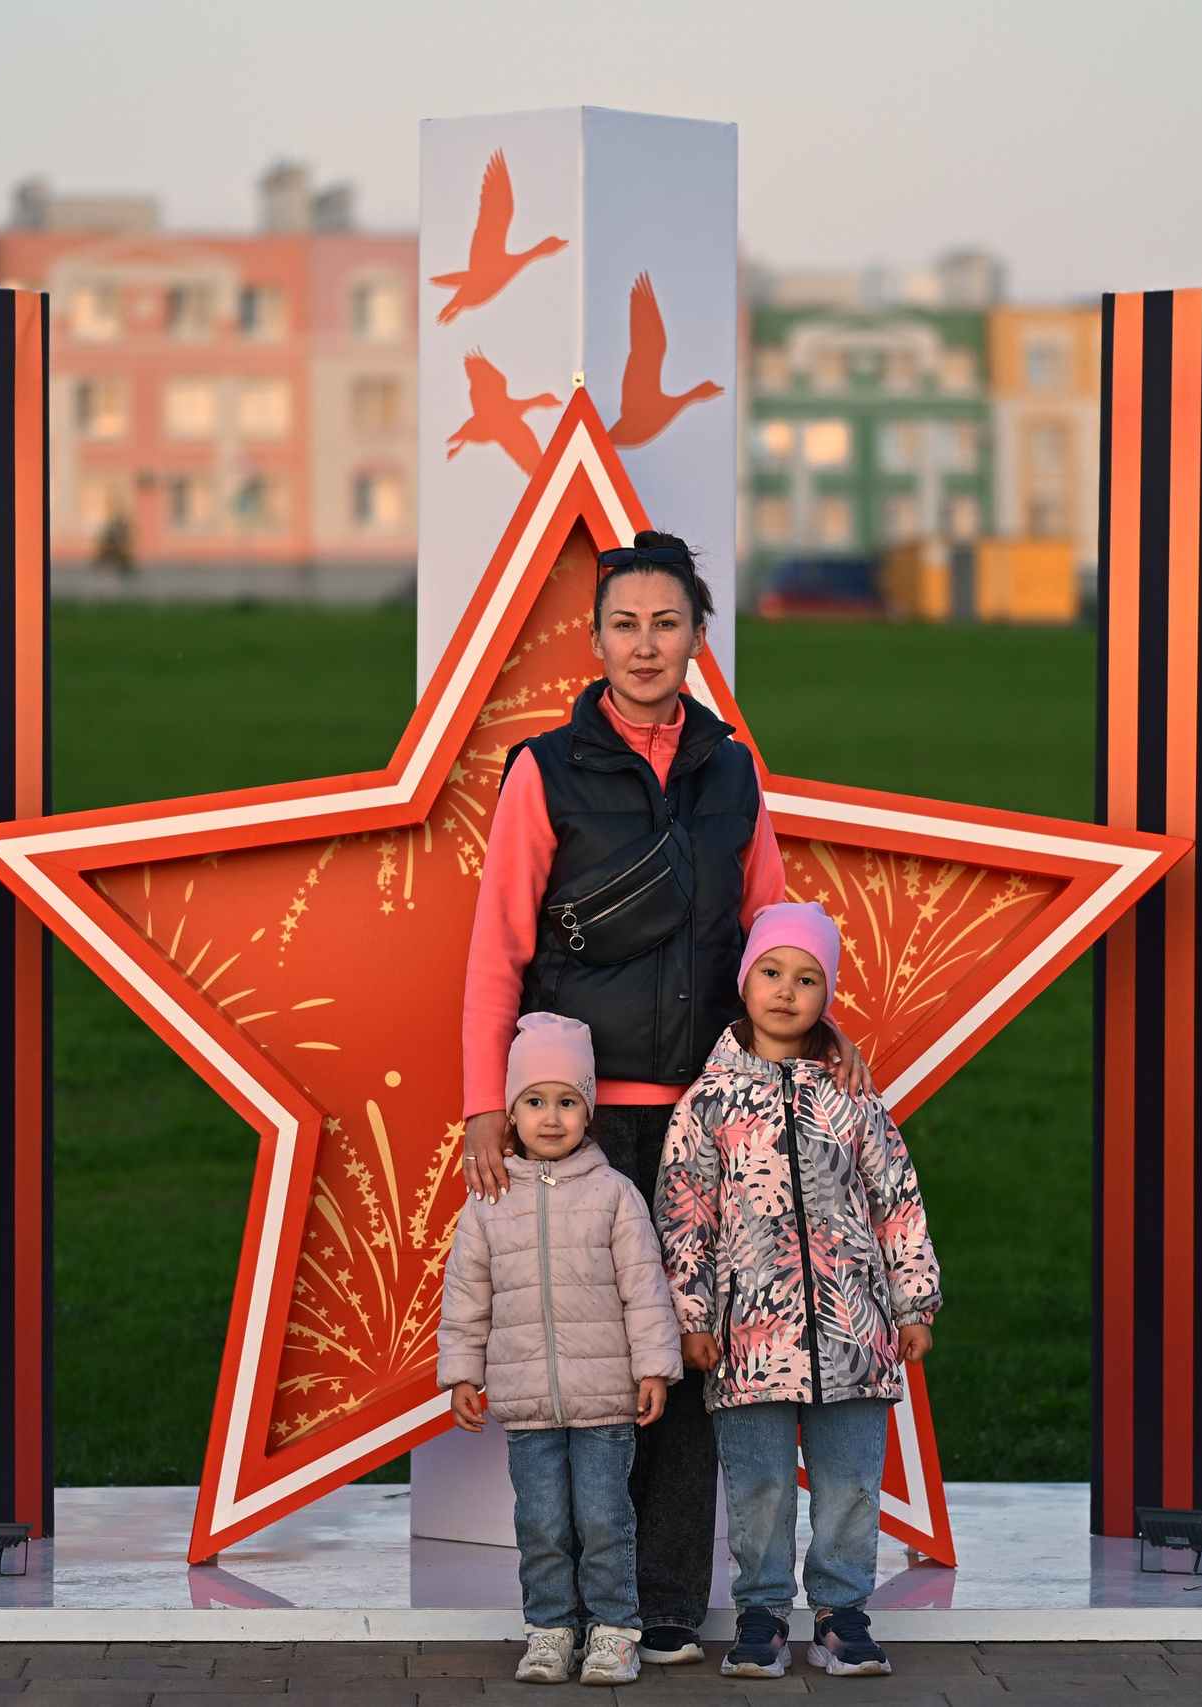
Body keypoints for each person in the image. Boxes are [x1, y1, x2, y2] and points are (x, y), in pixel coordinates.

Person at [459, 530, 870, 1662]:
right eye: (624, 624)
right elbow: (498, 948)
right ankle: (576, 1606)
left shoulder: (732, 770)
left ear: (697, 637)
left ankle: (668, 1604)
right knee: (595, 1357)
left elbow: (772, 935)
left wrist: (817, 1038)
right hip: (580, 1127)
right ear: (594, 640)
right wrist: (486, 1103)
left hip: (711, 1116)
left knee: (689, 1357)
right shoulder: (545, 771)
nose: (645, 645)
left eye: (668, 623)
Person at [657, 902, 942, 1680]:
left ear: (828, 993)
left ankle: (842, 1615)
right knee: (761, 1487)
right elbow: (684, 1216)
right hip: (748, 1344)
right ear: (745, 980)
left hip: (855, 1338)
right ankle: (763, 1614)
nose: (786, 990)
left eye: (808, 978)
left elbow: (896, 1200)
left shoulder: (852, 1097)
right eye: (772, 972)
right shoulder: (707, 1103)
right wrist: (693, 1316)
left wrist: (913, 1301)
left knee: (850, 1484)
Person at [438, 1013, 682, 1686]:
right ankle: (549, 1630)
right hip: (526, 1403)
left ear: (589, 1111)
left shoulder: (614, 1195)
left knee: (604, 1518)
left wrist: (654, 1367)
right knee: (542, 1521)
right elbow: (467, 1296)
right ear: (511, 1113)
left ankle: (614, 1631)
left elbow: (645, 1288)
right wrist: (462, 1374)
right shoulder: (488, 1204)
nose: (551, 1117)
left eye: (568, 1101)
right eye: (535, 1101)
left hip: (605, 1400)